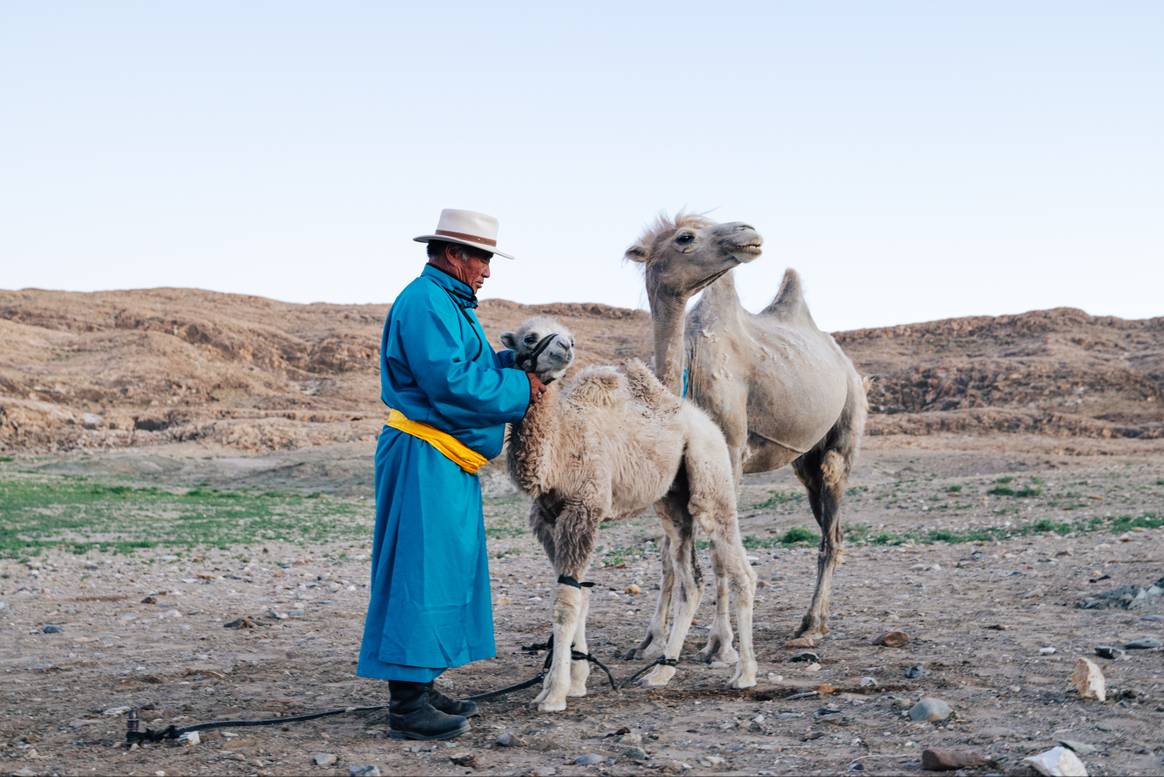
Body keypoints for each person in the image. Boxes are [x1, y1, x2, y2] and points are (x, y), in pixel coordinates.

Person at [356, 209, 546, 741]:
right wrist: (522, 391)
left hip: (444, 458)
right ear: (452, 254)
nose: (487, 270)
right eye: (482, 257)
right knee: (419, 570)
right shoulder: (426, 303)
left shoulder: (449, 304)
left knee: (443, 568)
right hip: (424, 454)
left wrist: (514, 360)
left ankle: (422, 680)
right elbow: (452, 384)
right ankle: (406, 705)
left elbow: (472, 367)